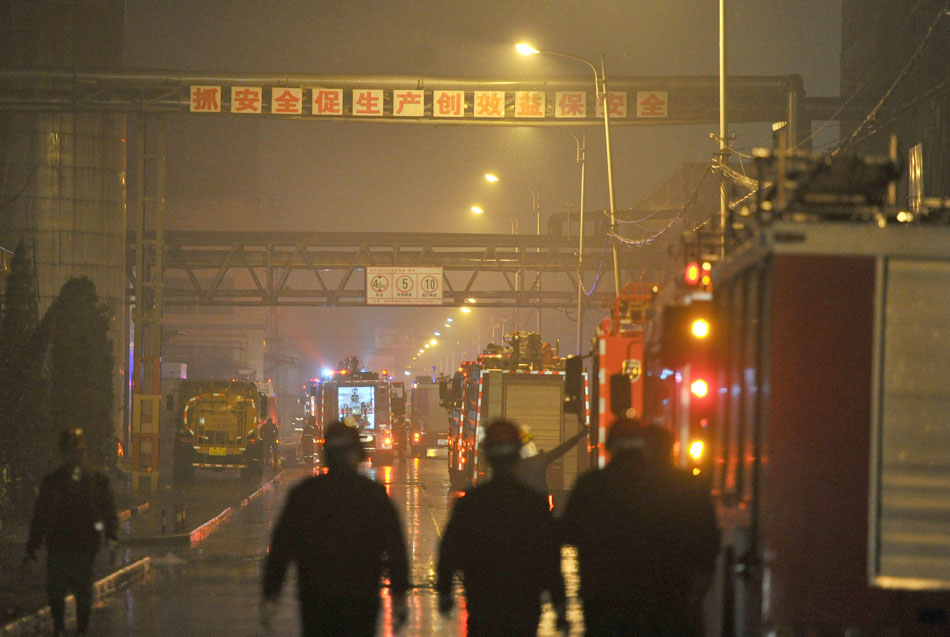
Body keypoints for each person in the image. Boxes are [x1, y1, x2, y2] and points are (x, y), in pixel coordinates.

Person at [560, 418, 720, 636]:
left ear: (609, 446)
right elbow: (706, 538)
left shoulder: (591, 485)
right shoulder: (683, 486)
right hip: (665, 601)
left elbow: (567, 534)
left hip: (605, 605)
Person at [262, 420, 409, 635]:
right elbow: (396, 548)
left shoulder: (304, 495)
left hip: (316, 600)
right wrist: (399, 596)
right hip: (361, 600)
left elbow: (281, 547)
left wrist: (272, 592)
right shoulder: (374, 495)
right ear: (357, 454)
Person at [437, 419, 569, 636]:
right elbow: (549, 557)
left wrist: (445, 593)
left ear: (487, 455)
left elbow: (449, 551)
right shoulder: (534, 504)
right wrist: (559, 605)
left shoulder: (470, 503)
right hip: (524, 609)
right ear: (518, 455)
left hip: (483, 608)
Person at [25, 427, 118, 637]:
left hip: (72, 545)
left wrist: (33, 544)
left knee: (72, 589)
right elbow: (41, 515)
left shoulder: (68, 480)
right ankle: (68, 628)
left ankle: (72, 628)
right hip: (71, 545)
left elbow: (108, 511)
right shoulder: (86, 479)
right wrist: (111, 538)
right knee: (69, 589)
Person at [515, 424, 589, 495]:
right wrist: (579, 436)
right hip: (541, 495)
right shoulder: (541, 459)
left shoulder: (517, 463)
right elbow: (562, 449)